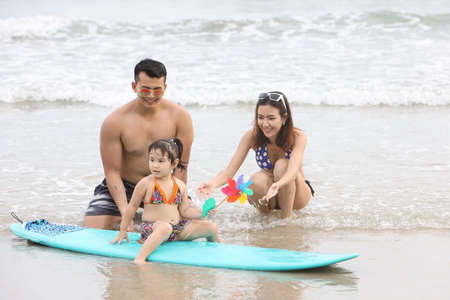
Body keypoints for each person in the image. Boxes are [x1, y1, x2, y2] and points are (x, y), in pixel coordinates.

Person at [84, 58, 195, 230]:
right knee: (93, 228)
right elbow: (112, 172)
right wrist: (125, 211)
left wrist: (176, 205)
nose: (151, 96)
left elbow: (181, 167)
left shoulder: (180, 118)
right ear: (134, 87)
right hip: (125, 186)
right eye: (145, 90)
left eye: (157, 90)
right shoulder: (115, 122)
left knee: (192, 227)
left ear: (165, 87)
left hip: (165, 183)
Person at [198, 91, 314, 219]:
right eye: (260, 117)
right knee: (254, 181)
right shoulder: (251, 136)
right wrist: (213, 184)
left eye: (271, 118)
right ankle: (265, 221)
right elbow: (230, 170)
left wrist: (278, 184)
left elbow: (292, 170)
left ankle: (286, 222)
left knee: (282, 165)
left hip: (296, 194)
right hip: (269, 195)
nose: (264, 124)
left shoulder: (297, 136)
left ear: (284, 118)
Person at [111, 138, 220, 265]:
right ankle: (140, 258)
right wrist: (123, 230)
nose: (155, 165)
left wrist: (202, 213)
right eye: (152, 160)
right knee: (165, 227)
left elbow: (185, 211)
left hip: (177, 230)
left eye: (161, 161)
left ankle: (217, 252)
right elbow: (132, 207)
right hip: (153, 229)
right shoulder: (146, 183)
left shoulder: (180, 185)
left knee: (211, 227)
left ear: (174, 163)